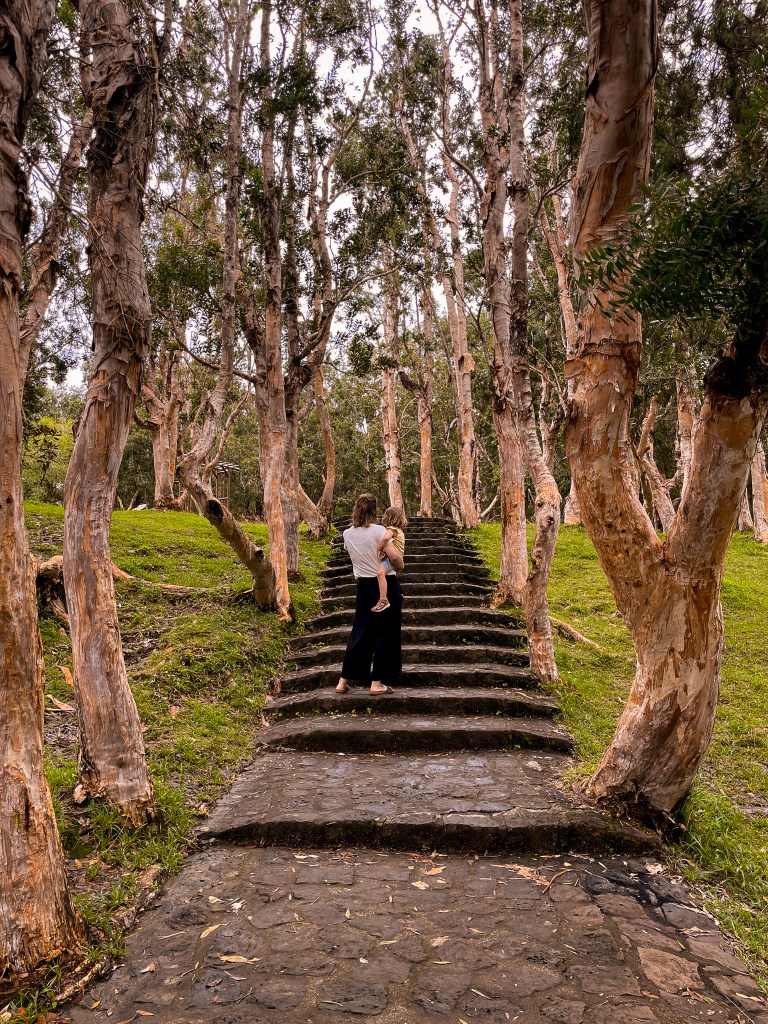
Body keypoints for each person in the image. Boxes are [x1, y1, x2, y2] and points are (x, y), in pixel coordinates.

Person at [336, 493, 404, 695]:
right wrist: (400, 565)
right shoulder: (380, 531)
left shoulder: (347, 534)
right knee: (385, 633)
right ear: (375, 510)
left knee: (361, 631)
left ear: (356, 508)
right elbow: (393, 556)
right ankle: (377, 683)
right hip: (385, 584)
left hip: (364, 586)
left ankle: (342, 681)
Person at [372, 506, 407, 612]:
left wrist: (379, 548)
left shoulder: (392, 530)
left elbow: (386, 538)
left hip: (391, 559)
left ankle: (383, 600)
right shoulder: (400, 530)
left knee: (380, 573)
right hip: (397, 557)